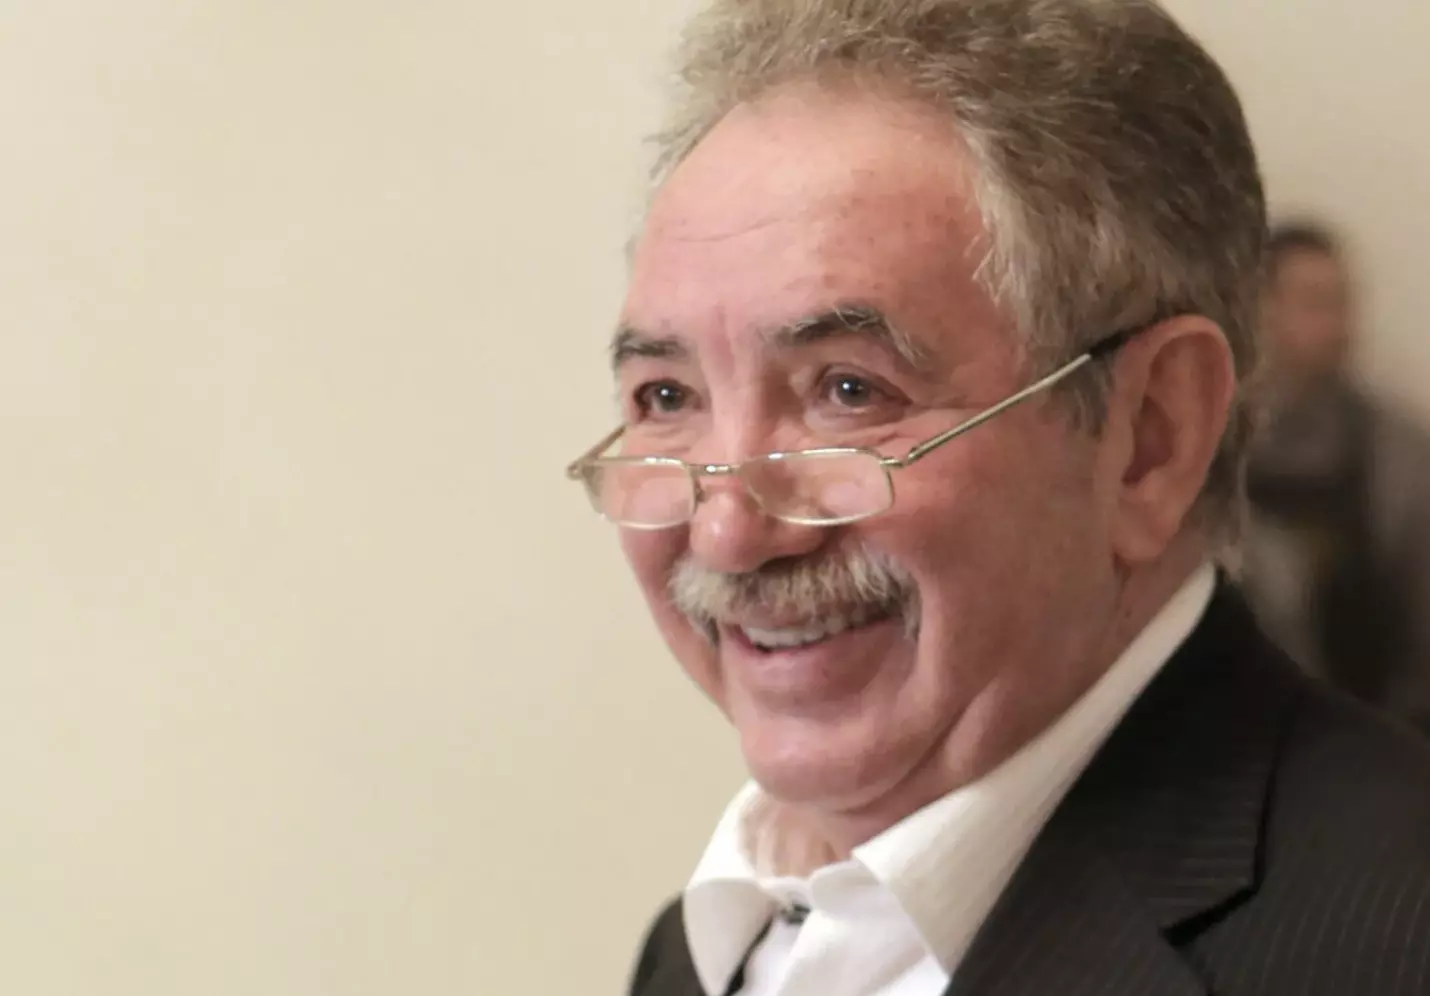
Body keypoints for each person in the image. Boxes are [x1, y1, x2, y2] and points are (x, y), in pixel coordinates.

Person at [564, 2, 1430, 993]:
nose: (726, 533)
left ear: (1150, 439)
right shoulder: (705, 948)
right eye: (666, 398)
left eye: (848, 390)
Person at [1243, 221, 1430, 732]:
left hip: (1377, 734)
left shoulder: (1398, 453)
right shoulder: (1208, 446)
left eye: (1342, 302)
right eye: (1314, 302)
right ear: (1260, 310)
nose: (1338, 323)